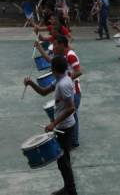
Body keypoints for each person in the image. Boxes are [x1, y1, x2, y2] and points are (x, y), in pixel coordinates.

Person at [23, 56, 78, 195]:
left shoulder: (64, 84)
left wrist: (54, 123)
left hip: (65, 127)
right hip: (62, 126)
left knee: (63, 161)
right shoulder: (59, 80)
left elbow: (71, 108)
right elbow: (43, 92)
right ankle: (68, 188)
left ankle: (71, 190)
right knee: (62, 161)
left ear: (53, 69)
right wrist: (31, 83)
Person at [34, 35, 83, 148]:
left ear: (62, 44)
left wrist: (64, 80)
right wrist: (39, 48)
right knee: (72, 117)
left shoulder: (70, 55)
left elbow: (79, 71)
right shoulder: (62, 56)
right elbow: (51, 61)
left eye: (55, 44)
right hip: (69, 88)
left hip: (73, 91)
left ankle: (72, 142)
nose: (54, 47)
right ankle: (72, 142)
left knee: (72, 116)